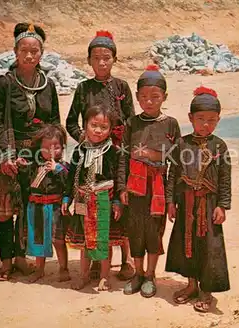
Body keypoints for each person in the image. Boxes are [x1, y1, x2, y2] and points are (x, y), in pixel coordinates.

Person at [0, 22, 60, 281]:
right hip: (9, 154)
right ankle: (5, 261)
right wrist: (4, 156)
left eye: (35, 51)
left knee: (29, 206)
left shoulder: (48, 84)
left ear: (42, 53)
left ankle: (20, 258)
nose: (29, 55)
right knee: (5, 209)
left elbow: (55, 122)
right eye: (24, 50)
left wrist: (52, 152)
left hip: (37, 156)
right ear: (15, 52)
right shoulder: (4, 83)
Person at [65, 30, 135, 280]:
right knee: (91, 209)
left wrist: (119, 143)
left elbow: (130, 121)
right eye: (97, 58)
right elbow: (71, 121)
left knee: (118, 206)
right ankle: (95, 260)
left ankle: (126, 259)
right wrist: (85, 139)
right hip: (90, 155)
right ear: (89, 61)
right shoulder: (83, 89)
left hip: (116, 154)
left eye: (106, 57)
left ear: (114, 59)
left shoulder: (122, 87)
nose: (102, 62)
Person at [165, 86, 232, 313]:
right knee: (187, 246)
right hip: (186, 205)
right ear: (190, 118)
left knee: (208, 248)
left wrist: (223, 206)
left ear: (218, 120)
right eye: (201, 119)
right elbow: (172, 175)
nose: (206, 124)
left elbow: (225, 178)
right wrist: (170, 202)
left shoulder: (219, 146)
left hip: (210, 206)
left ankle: (206, 291)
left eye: (211, 120)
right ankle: (191, 285)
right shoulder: (181, 145)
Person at [117, 64, 181, 298]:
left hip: (158, 189)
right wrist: (122, 187)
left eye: (155, 97)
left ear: (164, 96)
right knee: (135, 230)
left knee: (154, 231)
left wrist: (171, 195)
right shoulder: (132, 124)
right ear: (137, 98)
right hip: (134, 188)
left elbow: (175, 163)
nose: (149, 101)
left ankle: (151, 275)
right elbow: (123, 157)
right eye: (144, 97)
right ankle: (138, 273)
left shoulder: (171, 124)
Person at [62, 105, 125, 291]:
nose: (98, 130)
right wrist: (67, 198)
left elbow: (117, 177)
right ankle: (84, 275)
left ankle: (104, 277)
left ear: (110, 130)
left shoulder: (113, 152)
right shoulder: (78, 151)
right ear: (85, 125)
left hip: (104, 200)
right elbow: (72, 176)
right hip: (82, 201)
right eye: (93, 125)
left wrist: (116, 202)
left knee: (104, 241)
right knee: (84, 243)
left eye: (103, 127)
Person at [17, 124, 70, 283]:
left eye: (57, 147)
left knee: (58, 240)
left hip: (55, 208)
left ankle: (63, 268)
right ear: (39, 148)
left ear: (63, 147)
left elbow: (69, 185)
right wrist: (21, 166)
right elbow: (26, 183)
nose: (51, 152)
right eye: (46, 148)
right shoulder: (35, 165)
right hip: (36, 207)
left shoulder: (65, 167)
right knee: (38, 239)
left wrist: (57, 169)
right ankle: (40, 269)